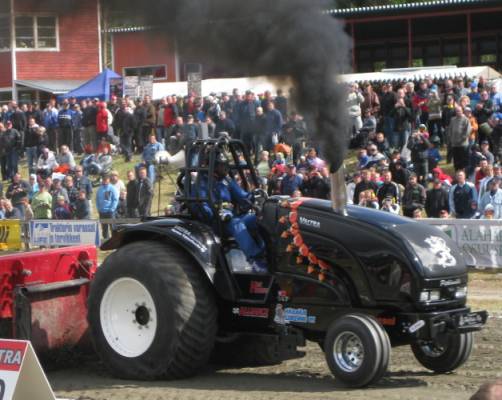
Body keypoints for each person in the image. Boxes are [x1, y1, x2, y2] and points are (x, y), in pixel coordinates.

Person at [197, 154, 266, 272]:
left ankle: (266, 253)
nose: (225, 169)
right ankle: (255, 260)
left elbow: (243, 196)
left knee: (260, 219)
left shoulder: (226, 180)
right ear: (212, 166)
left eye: (225, 166)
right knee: (236, 224)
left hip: (232, 218)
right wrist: (217, 213)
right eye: (221, 167)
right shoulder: (202, 183)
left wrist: (254, 196)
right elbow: (202, 208)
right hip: (214, 223)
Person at [447, 106, 471, 172]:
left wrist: (462, 139)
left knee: (464, 160)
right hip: (454, 144)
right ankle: (457, 172)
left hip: (463, 144)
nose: (458, 112)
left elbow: (468, 131)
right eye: (457, 111)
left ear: (462, 111)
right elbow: (450, 129)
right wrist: (451, 138)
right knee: (456, 160)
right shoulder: (453, 119)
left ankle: (464, 173)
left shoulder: (466, 119)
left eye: (459, 111)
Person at [96, 175, 119, 239]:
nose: (105, 181)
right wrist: (99, 208)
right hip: (102, 212)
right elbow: (97, 199)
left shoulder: (112, 188)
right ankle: (106, 241)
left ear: (109, 180)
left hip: (110, 212)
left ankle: (115, 240)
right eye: (104, 180)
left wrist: (112, 209)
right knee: (104, 228)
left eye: (106, 180)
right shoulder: (100, 189)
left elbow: (115, 199)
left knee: (113, 227)